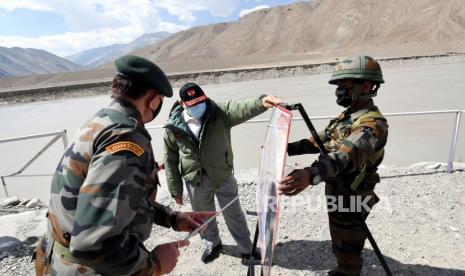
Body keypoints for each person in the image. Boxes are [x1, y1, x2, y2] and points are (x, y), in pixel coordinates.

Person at [36, 55, 213, 276]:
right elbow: (92, 243)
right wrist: (154, 265)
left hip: (58, 260)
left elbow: (113, 198)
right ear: (153, 99)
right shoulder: (125, 140)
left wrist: (171, 218)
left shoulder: (100, 121)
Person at [278, 55, 389, 276]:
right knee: (339, 233)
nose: (339, 91)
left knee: (348, 239)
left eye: (345, 85)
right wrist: (284, 147)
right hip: (338, 186)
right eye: (337, 86)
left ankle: (348, 272)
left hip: (353, 193)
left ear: (366, 86)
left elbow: (344, 156)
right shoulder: (348, 116)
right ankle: (344, 268)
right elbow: (320, 140)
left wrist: (312, 174)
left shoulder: (372, 124)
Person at [163, 83, 282, 263]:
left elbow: (240, 108)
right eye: (192, 104)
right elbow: (170, 159)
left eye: (200, 101)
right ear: (182, 104)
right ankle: (213, 244)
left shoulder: (219, 113)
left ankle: (246, 249)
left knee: (234, 214)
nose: (198, 107)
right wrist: (175, 190)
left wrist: (261, 102)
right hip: (195, 181)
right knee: (203, 217)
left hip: (222, 175)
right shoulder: (173, 127)